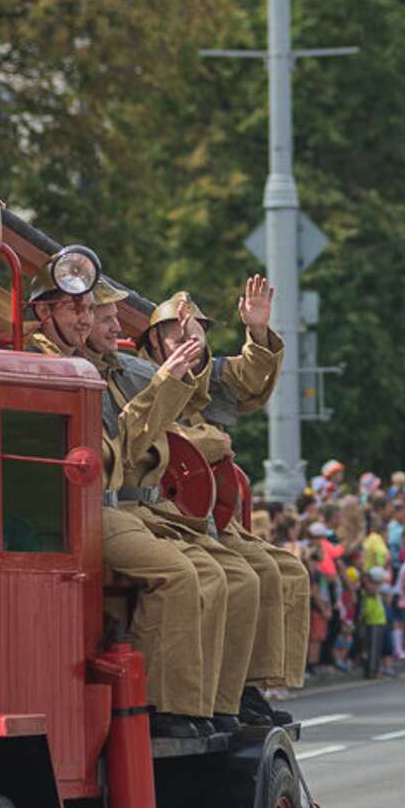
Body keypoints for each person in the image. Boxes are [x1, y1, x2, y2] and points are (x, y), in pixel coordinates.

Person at [24, 254, 223, 738]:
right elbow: (116, 448)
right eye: (76, 309)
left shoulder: (88, 363)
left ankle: (209, 703)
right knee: (179, 575)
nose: (88, 319)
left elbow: (129, 437)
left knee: (219, 576)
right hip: (78, 513)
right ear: (45, 312)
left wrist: (171, 379)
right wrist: (163, 384)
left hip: (108, 505)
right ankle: (161, 707)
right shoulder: (42, 363)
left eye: (91, 309)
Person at [137, 278, 310, 725]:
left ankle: (250, 687)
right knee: (233, 579)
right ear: (154, 342)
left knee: (286, 570)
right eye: (179, 335)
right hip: (167, 514)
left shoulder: (206, 376)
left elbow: (251, 379)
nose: (191, 343)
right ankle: (212, 698)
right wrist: (209, 441)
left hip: (213, 518)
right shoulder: (141, 378)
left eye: (197, 335)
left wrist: (257, 332)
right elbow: (147, 437)